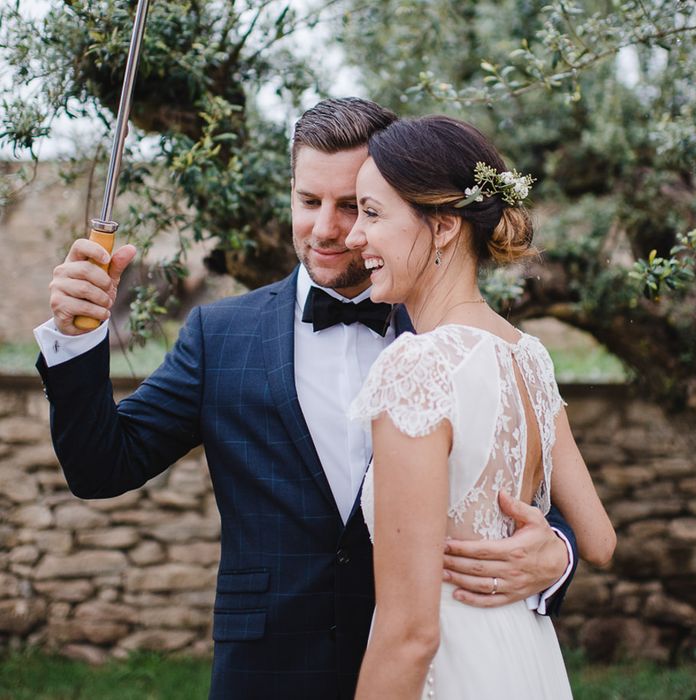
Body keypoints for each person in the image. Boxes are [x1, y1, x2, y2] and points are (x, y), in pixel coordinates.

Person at [34, 98, 580, 700]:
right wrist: (77, 338)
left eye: (352, 206)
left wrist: (557, 555)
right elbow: (99, 467)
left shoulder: (455, 340)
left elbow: (517, 483)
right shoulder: (221, 336)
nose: (324, 228)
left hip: (433, 669)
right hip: (267, 671)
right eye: (307, 201)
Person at [345, 115, 616, 699]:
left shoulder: (418, 367)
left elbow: (410, 632)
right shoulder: (532, 358)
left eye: (371, 213)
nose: (352, 237)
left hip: (453, 668)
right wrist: (550, 551)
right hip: (526, 657)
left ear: (442, 227)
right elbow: (597, 539)